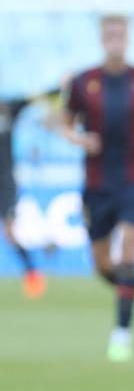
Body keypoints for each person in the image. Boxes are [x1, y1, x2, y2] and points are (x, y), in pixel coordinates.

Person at [60, 15, 134, 362]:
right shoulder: (83, 82)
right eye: (109, 34)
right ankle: (130, 285)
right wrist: (79, 139)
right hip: (97, 183)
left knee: (129, 250)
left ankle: (121, 335)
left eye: (120, 34)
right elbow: (65, 123)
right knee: (101, 263)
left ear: (128, 38)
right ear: (101, 39)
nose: (115, 40)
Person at [1, 94, 53, 299]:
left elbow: (39, 96)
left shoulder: (10, 106)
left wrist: (62, 87)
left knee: (9, 232)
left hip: (5, 181)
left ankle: (32, 274)